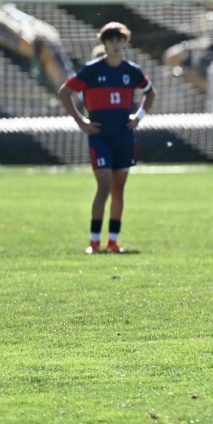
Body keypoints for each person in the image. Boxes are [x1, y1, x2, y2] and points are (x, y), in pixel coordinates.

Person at [58, 22, 156, 254]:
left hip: (124, 136)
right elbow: (64, 92)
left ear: (124, 42)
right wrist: (81, 121)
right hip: (100, 137)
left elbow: (150, 92)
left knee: (119, 190)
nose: (114, 44)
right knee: (104, 185)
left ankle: (113, 241)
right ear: (104, 43)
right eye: (110, 40)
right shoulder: (92, 70)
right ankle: (94, 241)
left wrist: (139, 116)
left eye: (118, 40)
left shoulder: (131, 71)